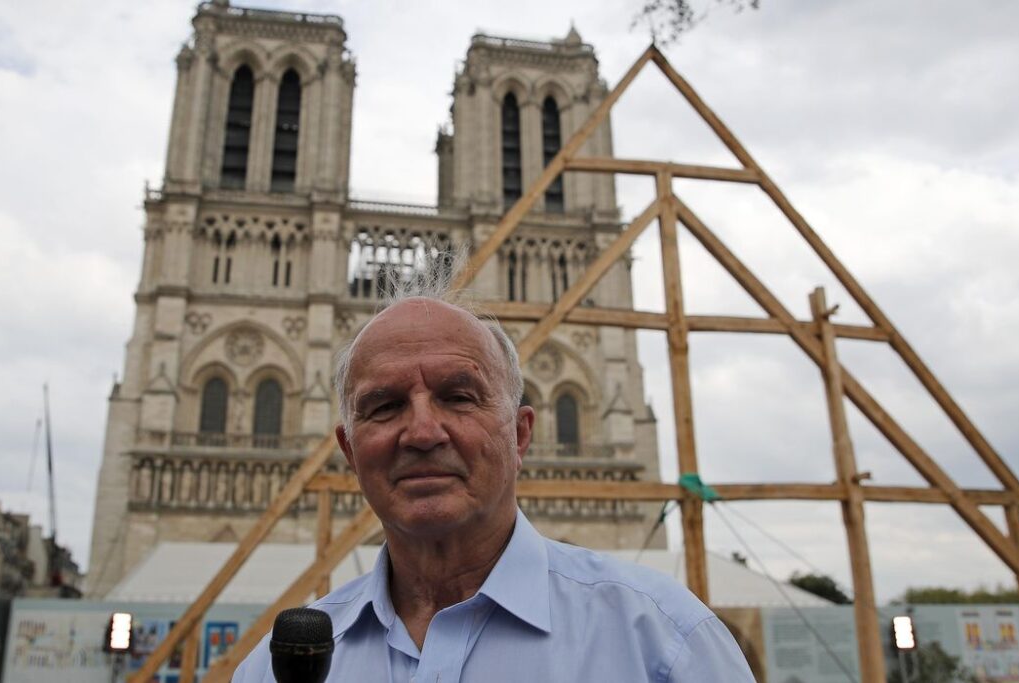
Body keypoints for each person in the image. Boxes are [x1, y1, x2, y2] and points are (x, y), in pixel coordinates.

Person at [234, 283, 756, 682]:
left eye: (459, 397)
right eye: (385, 406)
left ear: (521, 434)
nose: (421, 432)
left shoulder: (665, 642)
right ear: (350, 451)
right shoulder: (272, 669)